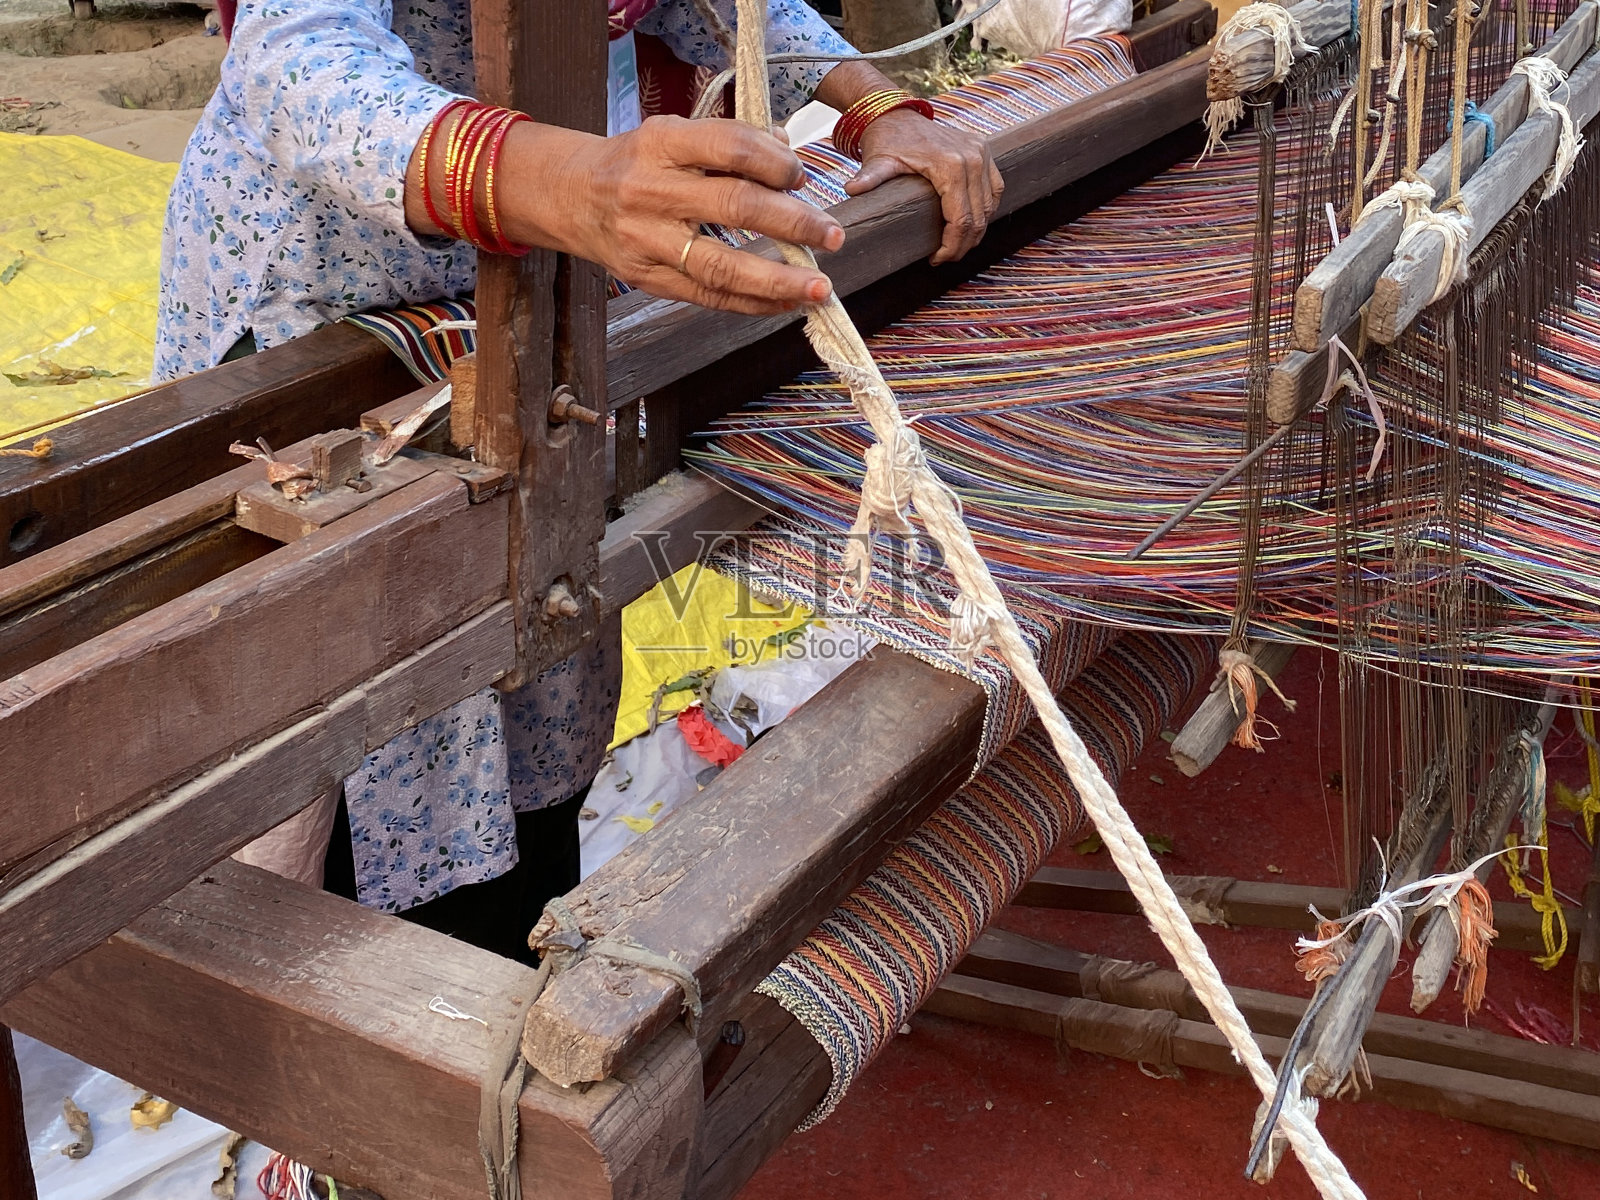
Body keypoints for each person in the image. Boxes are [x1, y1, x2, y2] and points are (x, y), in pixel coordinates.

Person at [153, 0, 1003, 961]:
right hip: (340, 292)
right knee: (350, 699)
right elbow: (295, 65)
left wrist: (874, 106)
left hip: (552, 265)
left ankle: (503, 949)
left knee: (544, 630)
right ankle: (354, 1006)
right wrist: (575, 180)